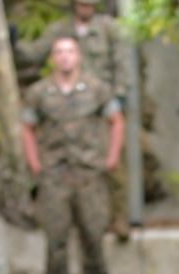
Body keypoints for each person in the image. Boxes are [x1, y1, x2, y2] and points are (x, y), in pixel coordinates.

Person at [21, 36, 124, 274]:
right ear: (52, 58)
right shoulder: (40, 92)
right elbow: (27, 127)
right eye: (59, 52)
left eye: (70, 51)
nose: (65, 57)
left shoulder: (96, 89)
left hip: (88, 174)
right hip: (54, 176)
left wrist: (112, 157)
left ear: (79, 56)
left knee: (93, 235)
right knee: (56, 240)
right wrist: (34, 163)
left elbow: (116, 120)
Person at [12, 0, 132, 239]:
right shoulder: (60, 30)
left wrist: (120, 93)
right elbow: (34, 53)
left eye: (90, 4)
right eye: (82, 4)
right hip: (69, 104)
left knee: (113, 165)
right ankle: (74, 219)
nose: (86, 7)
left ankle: (119, 219)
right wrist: (13, 43)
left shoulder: (108, 29)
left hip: (99, 102)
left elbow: (122, 62)